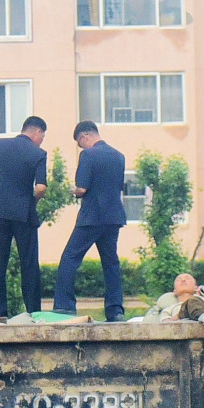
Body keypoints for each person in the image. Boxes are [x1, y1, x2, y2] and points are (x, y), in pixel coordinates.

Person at [53, 121, 128, 320]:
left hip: (92, 217)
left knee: (69, 258)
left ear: (85, 136)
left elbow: (82, 188)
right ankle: (115, 311)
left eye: (80, 142)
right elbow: (118, 188)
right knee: (111, 263)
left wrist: (73, 191)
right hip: (113, 217)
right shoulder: (119, 156)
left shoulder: (88, 155)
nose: (81, 146)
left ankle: (64, 307)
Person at [0, 114, 49, 317]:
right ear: (37, 132)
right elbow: (41, 187)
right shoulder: (38, 153)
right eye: (42, 136)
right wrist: (31, 200)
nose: (41, 140)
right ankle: (33, 312)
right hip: (23, 213)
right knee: (29, 263)